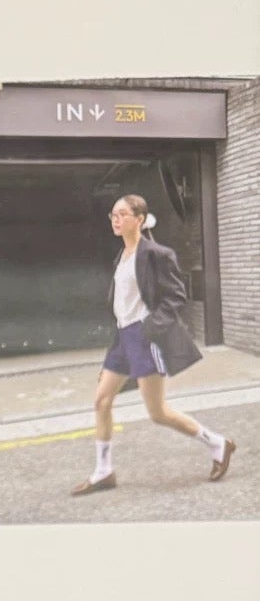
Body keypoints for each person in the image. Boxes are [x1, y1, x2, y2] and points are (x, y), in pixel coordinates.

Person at [74, 192, 235, 497]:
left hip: (145, 336)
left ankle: (218, 443)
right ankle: (104, 471)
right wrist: (116, 347)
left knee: (158, 412)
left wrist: (149, 330)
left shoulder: (156, 254)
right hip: (123, 337)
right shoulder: (121, 257)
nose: (116, 220)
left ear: (139, 219)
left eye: (122, 214)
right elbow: (122, 306)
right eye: (113, 215)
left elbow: (176, 297)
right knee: (102, 401)